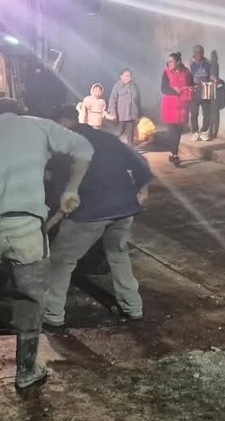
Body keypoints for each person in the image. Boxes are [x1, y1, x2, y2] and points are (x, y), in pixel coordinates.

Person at [0, 98, 92, 395]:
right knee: (30, 297)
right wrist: (70, 189)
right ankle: (27, 370)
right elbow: (84, 147)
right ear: (23, 112)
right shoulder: (39, 125)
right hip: (24, 225)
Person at [43, 105, 153, 330]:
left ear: (62, 123)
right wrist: (141, 189)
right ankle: (133, 307)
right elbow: (141, 165)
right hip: (124, 209)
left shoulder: (65, 147)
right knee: (118, 254)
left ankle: (52, 315)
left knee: (61, 260)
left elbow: (62, 193)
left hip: (90, 212)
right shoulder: (107, 138)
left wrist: (51, 222)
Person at [160, 52, 193, 167]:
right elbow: (164, 88)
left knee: (178, 132)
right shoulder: (166, 72)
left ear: (178, 62)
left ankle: (174, 153)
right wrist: (175, 90)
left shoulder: (187, 72)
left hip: (183, 107)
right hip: (170, 107)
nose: (169, 63)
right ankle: (174, 154)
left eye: (171, 61)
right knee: (171, 131)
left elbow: (191, 86)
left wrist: (187, 92)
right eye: (168, 62)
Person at [188, 45, 216, 141]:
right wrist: (193, 81)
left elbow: (211, 76)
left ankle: (204, 131)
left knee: (206, 113)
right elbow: (187, 77)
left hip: (205, 90)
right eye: (198, 53)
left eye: (201, 52)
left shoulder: (208, 63)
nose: (200, 55)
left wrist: (215, 79)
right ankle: (195, 132)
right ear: (194, 54)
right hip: (194, 92)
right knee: (194, 113)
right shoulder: (190, 64)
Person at [107, 68, 141, 146]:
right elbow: (112, 99)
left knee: (130, 134)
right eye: (125, 76)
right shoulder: (117, 86)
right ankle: (110, 145)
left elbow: (138, 100)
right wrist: (113, 111)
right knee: (119, 132)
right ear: (121, 76)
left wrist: (138, 113)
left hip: (132, 114)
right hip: (121, 114)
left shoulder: (134, 86)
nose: (127, 77)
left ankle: (130, 150)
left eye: (129, 76)